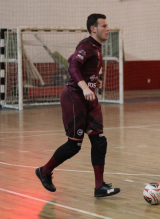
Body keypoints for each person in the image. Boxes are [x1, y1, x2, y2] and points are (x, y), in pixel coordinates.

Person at [36, 13, 120, 197]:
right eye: (104, 26)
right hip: (74, 97)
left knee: (99, 140)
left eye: (107, 26)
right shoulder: (86, 45)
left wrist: (93, 82)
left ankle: (99, 188)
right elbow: (72, 65)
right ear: (93, 29)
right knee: (74, 145)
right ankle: (43, 172)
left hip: (89, 99)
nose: (108, 29)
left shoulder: (97, 48)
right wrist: (84, 87)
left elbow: (82, 68)